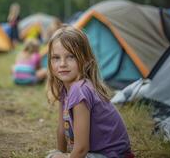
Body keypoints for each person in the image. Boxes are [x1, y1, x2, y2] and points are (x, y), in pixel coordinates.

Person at [46, 26, 134, 158]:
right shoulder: (64, 87)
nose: (62, 63)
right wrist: (61, 153)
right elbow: (61, 128)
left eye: (71, 56)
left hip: (111, 155)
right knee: (54, 155)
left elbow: (81, 149)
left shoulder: (80, 89)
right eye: (56, 58)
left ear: (85, 60)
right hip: (96, 154)